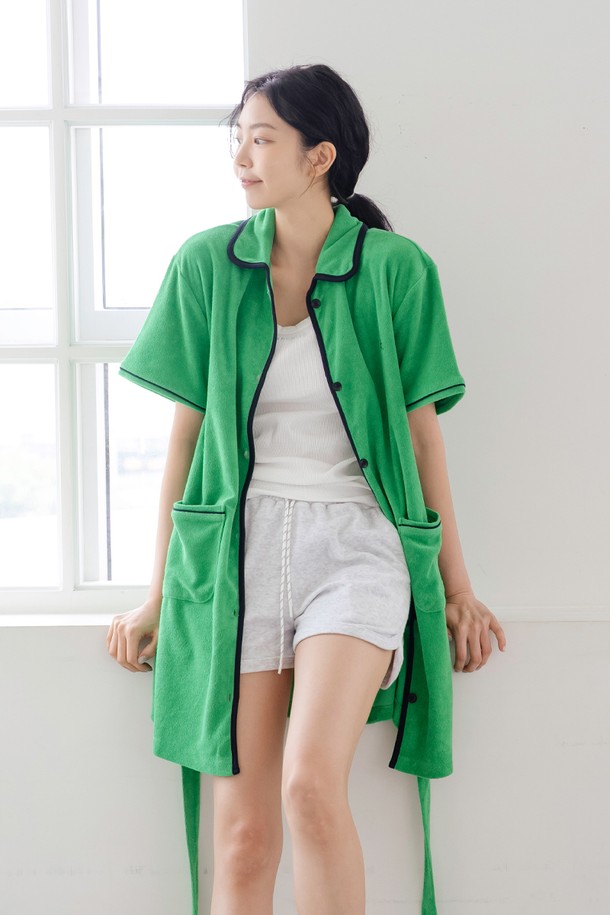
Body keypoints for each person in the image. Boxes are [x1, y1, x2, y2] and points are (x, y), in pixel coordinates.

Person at [106, 63, 507, 915]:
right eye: (238, 139)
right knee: (243, 836)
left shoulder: (396, 269)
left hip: (357, 547)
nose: (242, 158)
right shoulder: (207, 265)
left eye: (262, 140)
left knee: (310, 788)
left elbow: (422, 438)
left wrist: (457, 588)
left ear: (320, 156)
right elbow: (186, 441)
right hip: (238, 552)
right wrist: (158, 596)